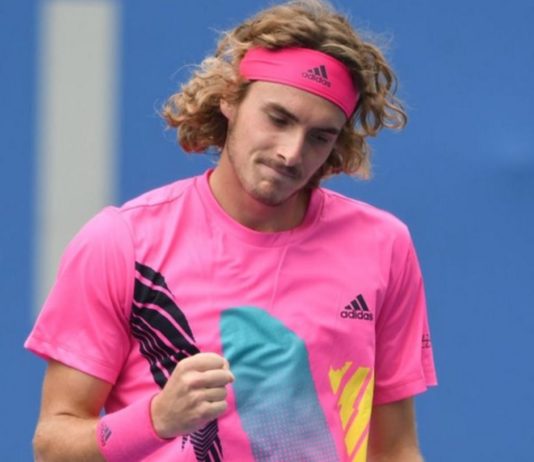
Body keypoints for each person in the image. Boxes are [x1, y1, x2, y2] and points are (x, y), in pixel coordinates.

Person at [26, 1, 437, 461]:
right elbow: (53, 444)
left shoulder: (384, 246)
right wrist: (156, 419)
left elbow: (395, 450)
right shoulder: (121, 241)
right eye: (278, 118)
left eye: (320, 136)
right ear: (230, 99)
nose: (291, 152)